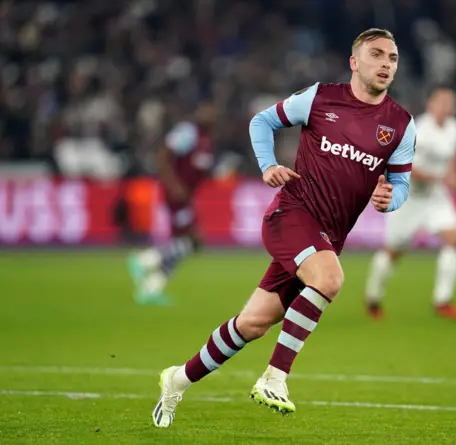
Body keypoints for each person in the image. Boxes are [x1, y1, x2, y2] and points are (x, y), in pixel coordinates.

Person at [150, 28, 416, 427]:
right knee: (329, 279)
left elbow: (401, 186)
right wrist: (268, 165)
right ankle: (275, 377)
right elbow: (261, 122)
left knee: (252, 324)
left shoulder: (400, 124)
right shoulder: (320, 98)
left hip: (327, 237)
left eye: (392, 58)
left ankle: (177, 379)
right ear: (354, 62)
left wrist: (388, 199)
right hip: (291, 216)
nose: (386, 64)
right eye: (377, 55)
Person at [365, 86, 456, 320]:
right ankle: (373, 297)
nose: (447, 107)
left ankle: (443, 300)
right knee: (393, 252)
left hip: (435, 197)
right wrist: (444, 178)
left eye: (450, 102)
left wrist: (454, 176)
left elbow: (452, 154)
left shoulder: (454, 128)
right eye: (442, 102)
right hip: (409, 198)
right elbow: (408, 169)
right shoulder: (419, 131)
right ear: (431, 104)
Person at [127, 101, 216, 305]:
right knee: (191, 241)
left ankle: (150, 289)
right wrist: (173, 185)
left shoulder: (206, 140)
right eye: (206, 110)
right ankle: (144, 260)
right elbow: (163, 155)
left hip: (186, 197)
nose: (209, 114)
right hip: (176, 196)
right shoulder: (187, 132)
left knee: (185, 244)